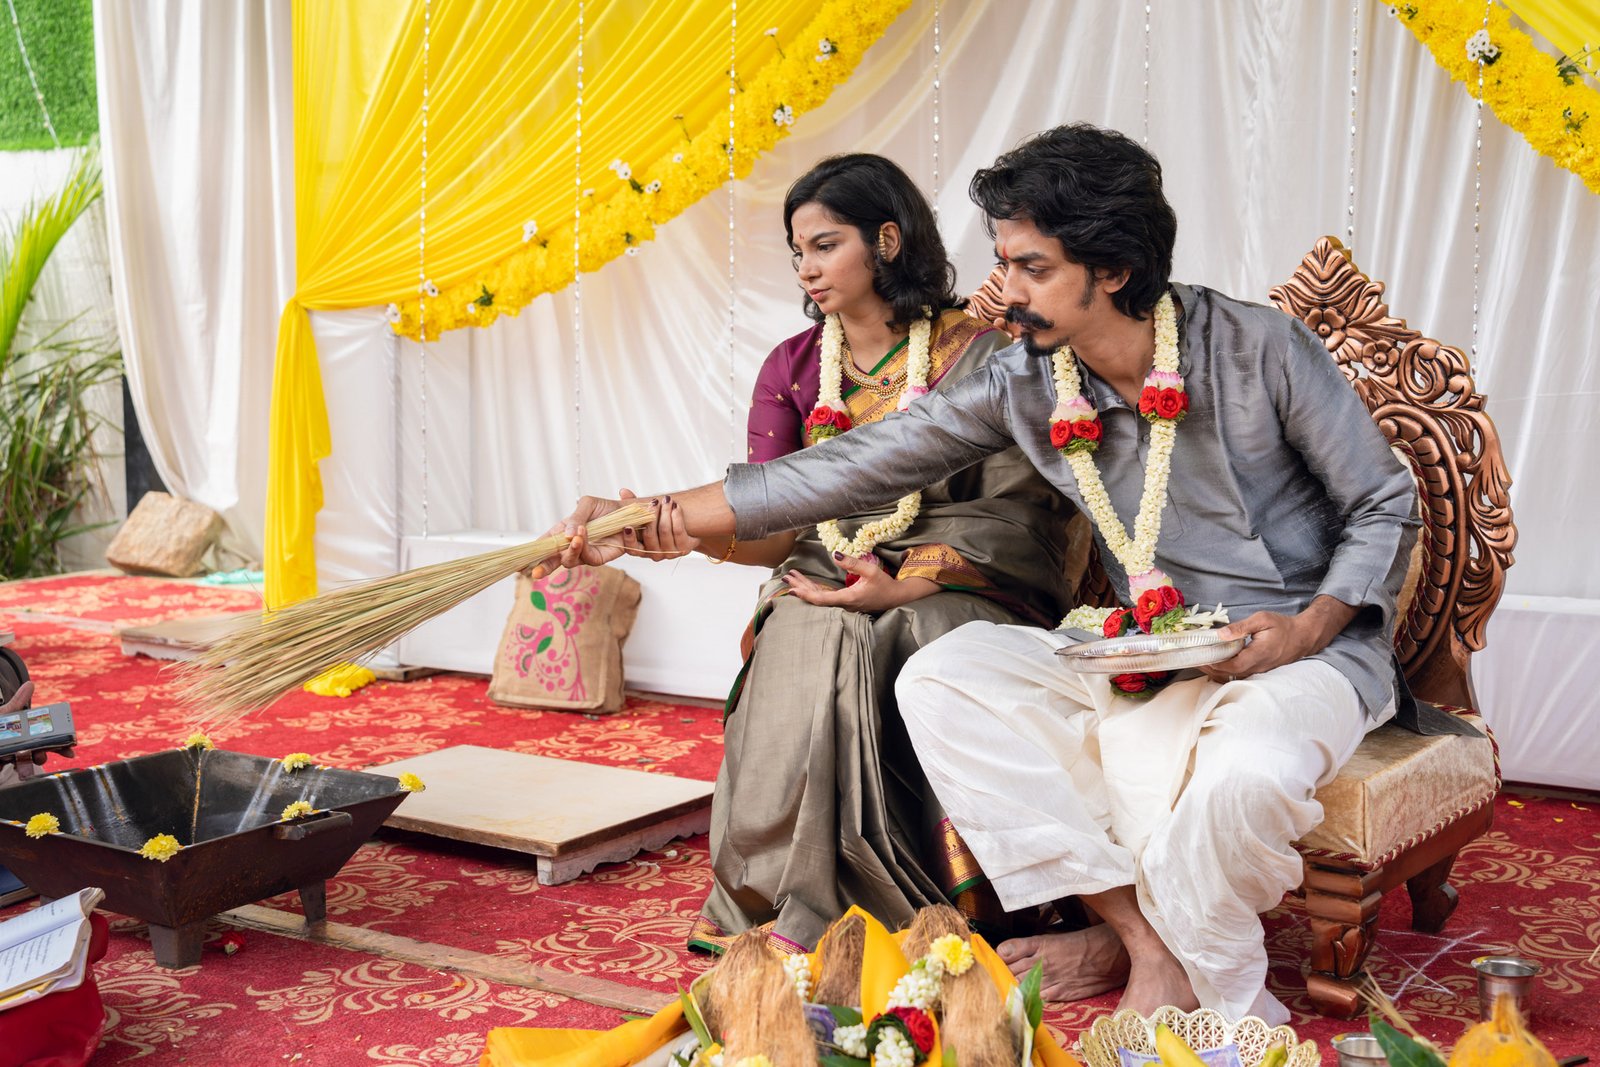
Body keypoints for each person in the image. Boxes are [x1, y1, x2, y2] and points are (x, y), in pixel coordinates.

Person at [549, 124, 1415, 1024]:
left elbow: (1385, 503)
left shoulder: (1257, 346)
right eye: (1003, 261)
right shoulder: (1026, 380)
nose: (1005, 290)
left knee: (1241, 782)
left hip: (1303, 650)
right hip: (1146, 648)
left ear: (1113, 270)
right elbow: (850, 466)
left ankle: (1194, 982)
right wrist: (654, 517)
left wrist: (1310, 626)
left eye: (1032, 267)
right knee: (943, 679)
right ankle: (1143, 942)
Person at [572, 154, 1074, 954]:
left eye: (825, 244)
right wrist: (685, 535)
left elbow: (1019, 514)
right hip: (822, 568)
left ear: (886, 239)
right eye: (797, 251)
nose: (806, 268)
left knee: (911, 636)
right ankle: (790, 902)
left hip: (954, 581)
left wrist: (903, 584)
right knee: (808, 631)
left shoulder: (981, 353)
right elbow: (778, 522)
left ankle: (946, 904)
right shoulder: (794, 368)